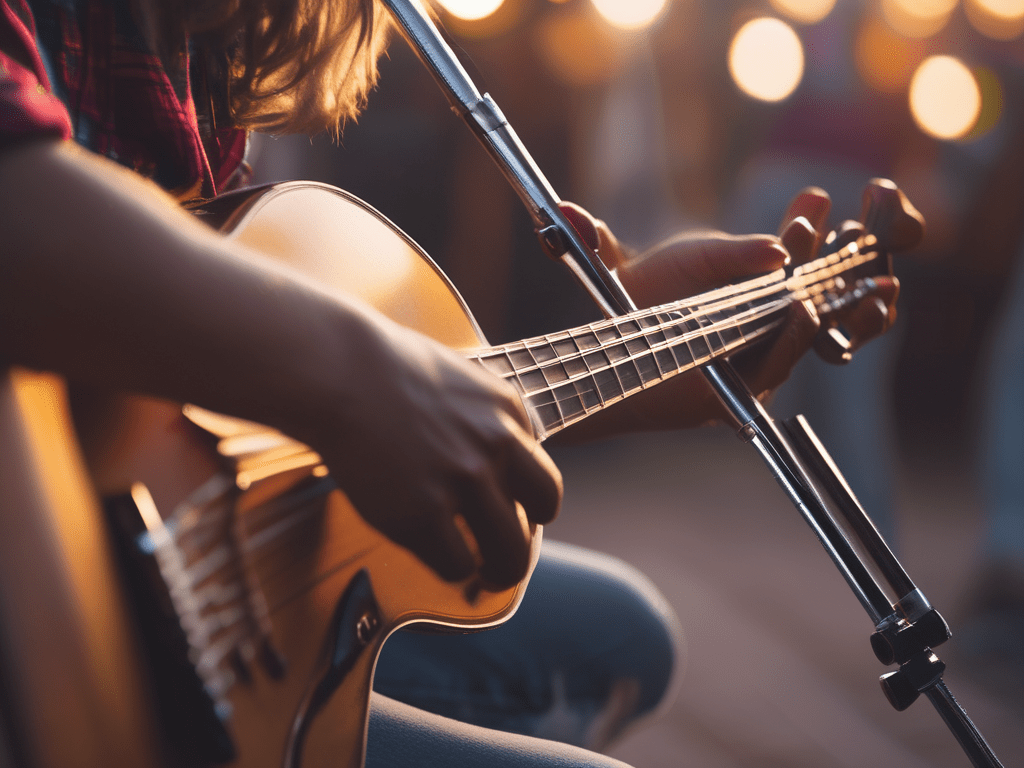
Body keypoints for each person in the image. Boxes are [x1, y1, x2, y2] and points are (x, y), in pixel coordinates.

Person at [0, 0, 904, 764]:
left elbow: (250, 420)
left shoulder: (186, 50)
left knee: (623, 633)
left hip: (172, 586)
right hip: (45, 628)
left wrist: (621, 353)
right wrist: (353, 373)